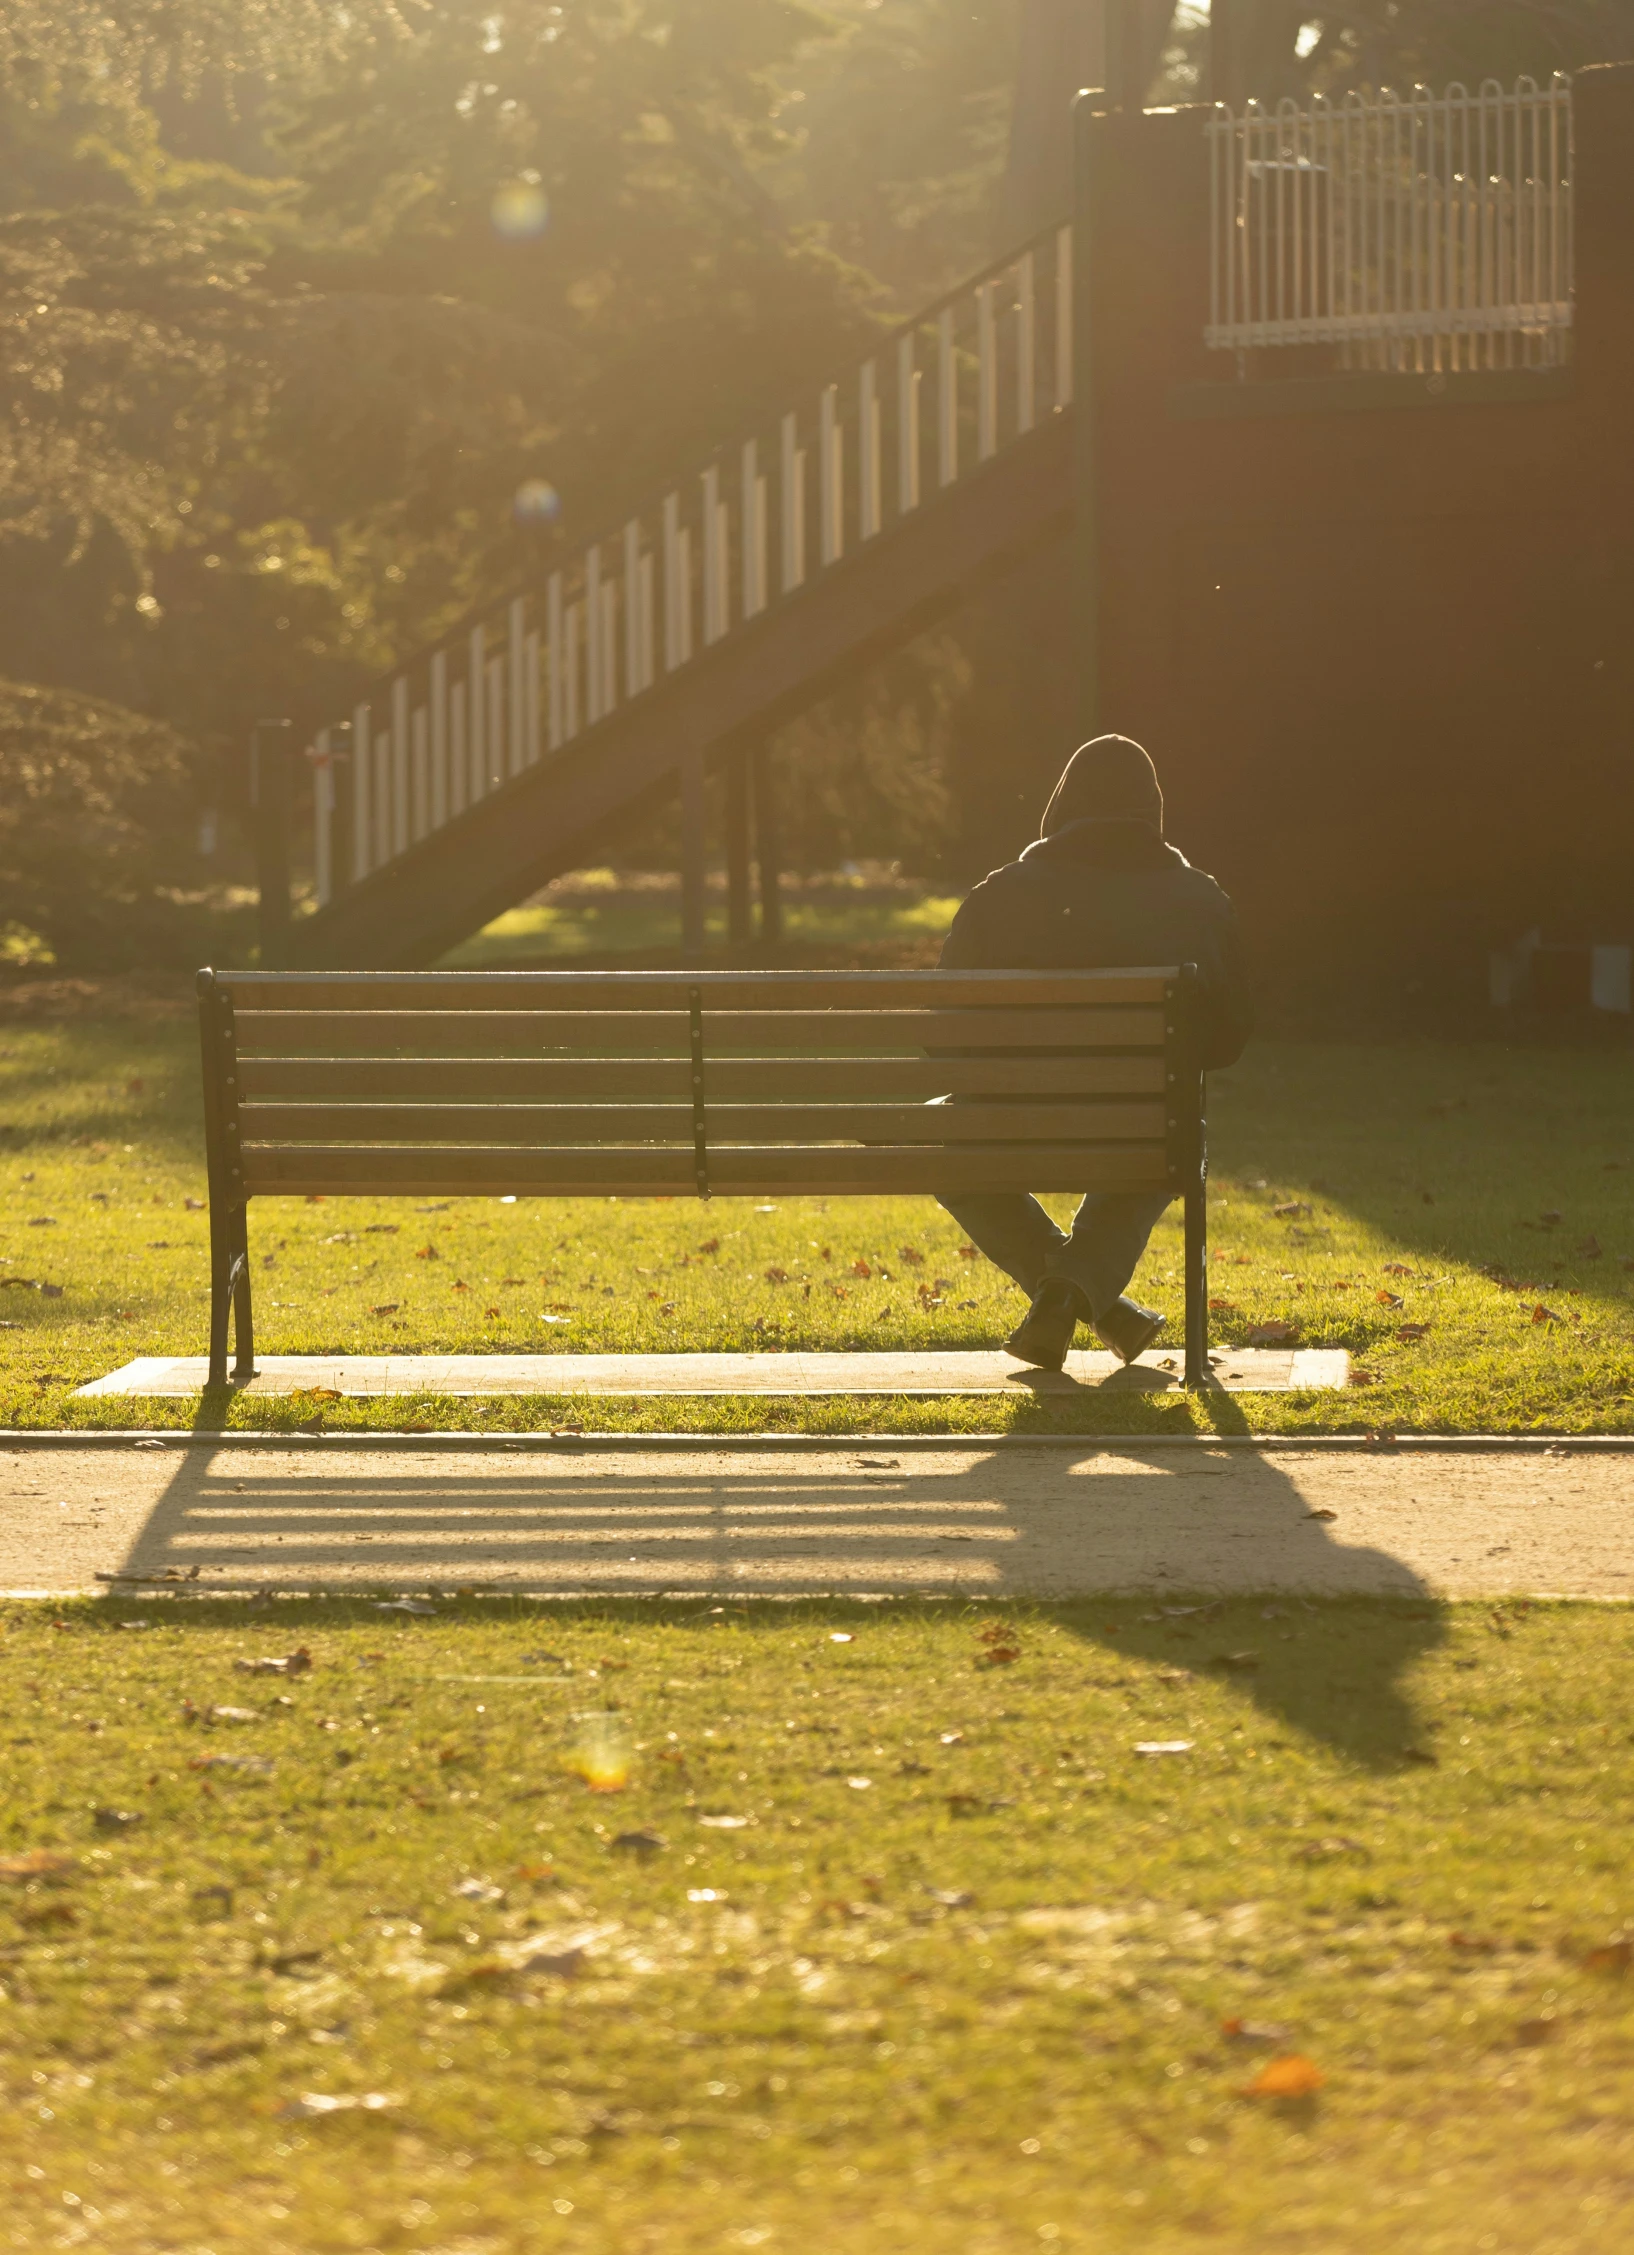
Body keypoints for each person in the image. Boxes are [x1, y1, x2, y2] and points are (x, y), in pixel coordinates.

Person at [937, 734, 1251, 1372]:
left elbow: (942, 1033)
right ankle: (1081, 1298)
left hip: (1006, 1126)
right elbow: (1227, 1041)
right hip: (1145, 1126)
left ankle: (1068, 1300)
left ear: (1059, 808)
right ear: (1153, 815)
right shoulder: (1201, 901)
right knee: (1172, 1126)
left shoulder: (1000, 894)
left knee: (937, 1141)